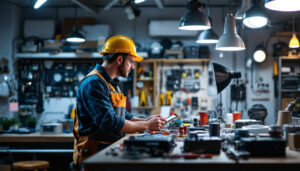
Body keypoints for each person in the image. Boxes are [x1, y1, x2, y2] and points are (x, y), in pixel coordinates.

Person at [72, 35, 166, 169]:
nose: (133, 67)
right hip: (94, 155)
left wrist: (144, 120)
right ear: (120, 59)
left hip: (107, 150)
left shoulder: (111, 84)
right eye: (131, 61)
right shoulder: (94, 83)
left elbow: (121, 115)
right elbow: (109, 122)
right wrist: (146, 125)